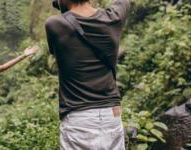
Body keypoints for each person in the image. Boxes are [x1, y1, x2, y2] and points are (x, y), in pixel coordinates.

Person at [45, 0, 130, 149]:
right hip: (111, 114)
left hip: (79, 118)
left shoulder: (55, 25)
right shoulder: (113, 18)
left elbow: (55, 50)